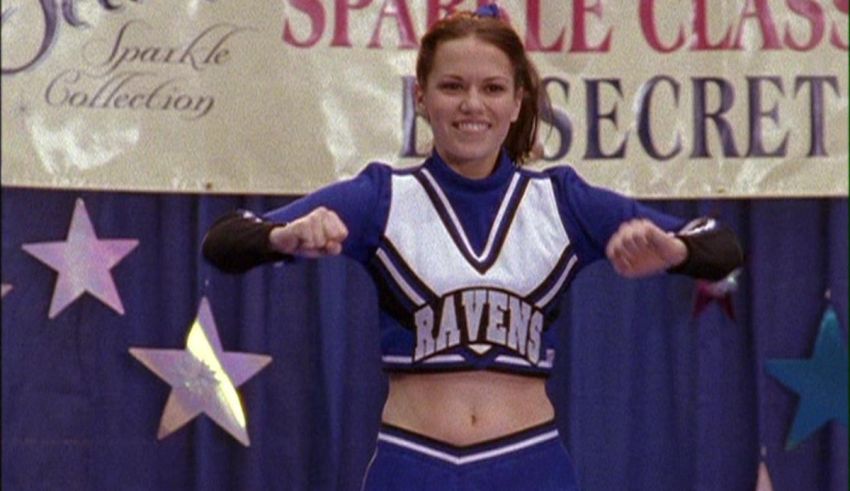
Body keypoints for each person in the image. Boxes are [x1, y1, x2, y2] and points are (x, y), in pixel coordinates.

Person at [202, 5, 743, 490]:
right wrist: (280, 237)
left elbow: (720, 245)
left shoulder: (561, 201)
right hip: (413, 463)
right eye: (452, 86)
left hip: (529, 465)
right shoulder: (382, 198)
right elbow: (223, 241)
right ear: (421, 96)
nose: (471, 105)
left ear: (517, 101)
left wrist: (674, 252)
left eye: (492, 89)